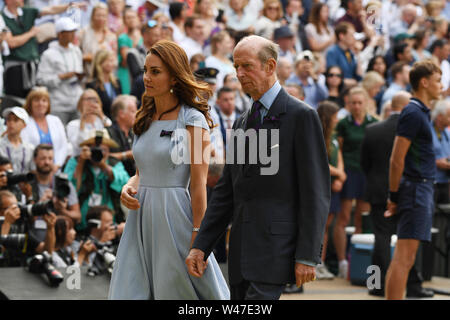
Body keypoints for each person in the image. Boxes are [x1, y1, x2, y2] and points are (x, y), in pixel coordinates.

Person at [186, 35, 330, 300]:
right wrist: (201, 246)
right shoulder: (241, 122)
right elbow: (227, 192)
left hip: (276, 250)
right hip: (240, 254)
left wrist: (308, 255)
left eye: (246, 66)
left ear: (270, 66)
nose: (239, 73)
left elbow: (315, 192)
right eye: (236, 66)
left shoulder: (302, 116)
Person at [109, 40, 230, 300]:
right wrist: (129, 186)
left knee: (179, 292)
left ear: (174, 77)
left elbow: (198, 185)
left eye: (156, 72)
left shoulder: (193, 118)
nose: (146, 78)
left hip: (176, 217)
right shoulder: (143, 117)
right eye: (145, 70)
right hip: (140, 219)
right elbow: (142, 173)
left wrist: (199, 238)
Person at [360, 90, 434, 298]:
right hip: (408, 189)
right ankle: (413, 286)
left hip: (378, 190)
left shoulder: (372, 129)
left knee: (381, 241)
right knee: (408, 245)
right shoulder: (415, 126)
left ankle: (375, 285)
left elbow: (364, 163)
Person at [385, 60, 443, 300]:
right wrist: (394, 196)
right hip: (416, 189)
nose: (441, 86)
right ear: (424, 82)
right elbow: (396, 160)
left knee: (406, 259)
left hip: (421, 189)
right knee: (404, 258)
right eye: (438, 80)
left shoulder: (419, 112)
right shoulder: (413, 112)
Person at [334, 86, 377, 278]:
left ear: (366, 103)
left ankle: (355, 262)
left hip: (366, 174)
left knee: (361, 218)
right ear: (348, 104)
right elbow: (339, 150)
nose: (357, 106)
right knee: (343, 218)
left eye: (360, 103)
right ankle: (342, 261)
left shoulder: (373, 123)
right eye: (353, 103)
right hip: (349, 173)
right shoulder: (343, 124)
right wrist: (341, 173)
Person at [1, 0, 85, 98]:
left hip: (33, 65)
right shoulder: (2, 17)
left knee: (33, 99)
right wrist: (31, 33)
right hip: (14, 68)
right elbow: (11, 42)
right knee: (15, 101)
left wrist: (70, 6)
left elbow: (51, 10)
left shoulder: (28, 12)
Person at [64, 128, 129, 231]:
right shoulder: (76, 161)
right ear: (88, 149)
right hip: (82, 221)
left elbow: (125, 184)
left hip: (108, 222)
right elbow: (69, 188)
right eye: (95, 149)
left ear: (108, 150)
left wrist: (104, 166)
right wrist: (81, 163)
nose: (99, 153)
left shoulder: (113, 163)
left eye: (103, 150)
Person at [36, 17, 84, 125]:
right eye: (69, 32)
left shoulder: (76, 50)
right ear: (60, 34)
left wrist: (79, 76)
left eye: (73, 31)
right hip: (58, 104)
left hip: (76, 102)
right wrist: (62, 77)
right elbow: (40, 80)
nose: (73, 34)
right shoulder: (48, 54)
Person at [316, 100, 345, 280]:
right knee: (319, 227)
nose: (337, 120)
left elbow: (339, 156)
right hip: (321, 186)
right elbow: (319, 163)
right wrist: (339, 173)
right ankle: (314, 260)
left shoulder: (334, 137)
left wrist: (340, 175)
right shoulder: (317, 135)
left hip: (333, 186)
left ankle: (321, 261)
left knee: (326, 227)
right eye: (335, 117)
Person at [21, 87, 69, 169]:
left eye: (44, 101)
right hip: (33, 170)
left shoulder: (55, 120)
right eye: (36, 100)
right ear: (30, 103)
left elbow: (63, 146)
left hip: (55, 169)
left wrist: (57, 165)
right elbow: (24, 148)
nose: (40, 104)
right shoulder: (25, 122)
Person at [66, 89, 112, 157]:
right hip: (81, 159)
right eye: (88, 99)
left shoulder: (104, 120)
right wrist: (83, 118)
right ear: (81, 103)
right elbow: (78, 146)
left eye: (95, 99)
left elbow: (112, 137)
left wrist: (101, 115)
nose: (91, 102)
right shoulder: (73, 124)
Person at [79, 3, 118, 79]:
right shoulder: (83, 33)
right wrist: (86, 57)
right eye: (98, 15)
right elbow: (76, 55)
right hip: (88, 76)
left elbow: (115, 60)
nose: (101, 18)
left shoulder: (111, 36)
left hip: (106, 77)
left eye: (103, 16)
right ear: (93, 16)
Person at [106, 95, 137, 178]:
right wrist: (126, 155)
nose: (137, 114)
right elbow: (104, 158)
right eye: (133, 111)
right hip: (117, 184)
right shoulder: (107, 133)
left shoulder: (134, 133)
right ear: (121, 114)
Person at [87, 50, 122, 119]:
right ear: (100, 63)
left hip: (117, 121)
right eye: (108, 61)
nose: (111, 64)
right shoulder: (92, 85)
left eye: (112, 61)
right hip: (101, 120)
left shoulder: (117, 82)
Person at [326, 22, 361, 87]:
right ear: (341, 36)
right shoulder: (332, 52)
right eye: (351, 35)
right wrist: (352, 82)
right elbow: (332, 77)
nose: (354, 38)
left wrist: (358, 54)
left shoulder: (350, 52)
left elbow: (359, 76)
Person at [0, 107, 34, 174]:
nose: (11, 123)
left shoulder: (30, 148)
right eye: (9, 119)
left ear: (24, 125)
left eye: (16, 120)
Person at [117, 7, 142, 95]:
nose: (131, 20)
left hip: (141, 73)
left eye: (133, 17)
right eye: (128, 18)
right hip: (126, 74)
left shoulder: (143, 35)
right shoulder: (122, 37)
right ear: (124, 21)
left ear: (138, 18)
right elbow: (126, 58)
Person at [431, 100, 450, 204]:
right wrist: (437, 162)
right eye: (448, 116)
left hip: (445, 182)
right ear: (439, 117)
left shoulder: (447, 132)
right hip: (432, 183)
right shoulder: (427, 132)